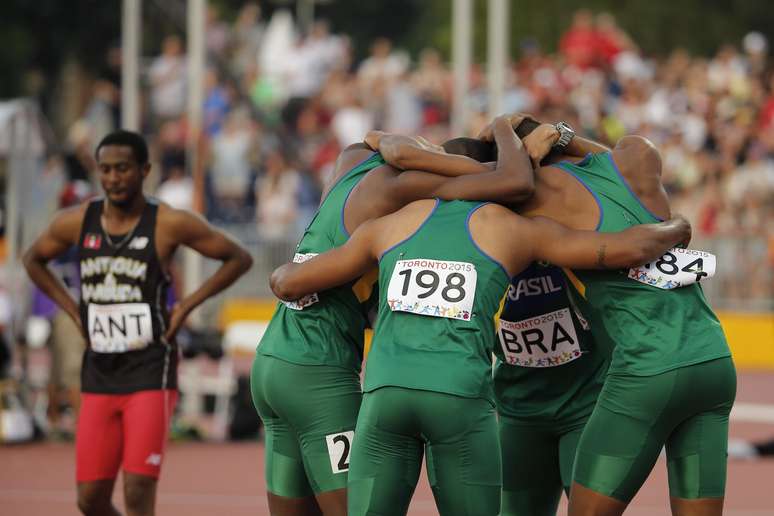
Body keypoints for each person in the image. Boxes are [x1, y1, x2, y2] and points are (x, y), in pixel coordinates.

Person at [268, 144, 690, 516]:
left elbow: (286, 282)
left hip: (386, 396)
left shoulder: (389, 225)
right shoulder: (511, 229)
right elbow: (626, 245)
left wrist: (312, 256)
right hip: (459, 397)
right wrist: (676, 226)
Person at [250, 115, 538, 516]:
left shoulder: (352, 160)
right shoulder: (406, 190)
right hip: (320, 371)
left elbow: (375, 141)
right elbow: (513, 181)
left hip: (272, 361)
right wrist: (502, 132)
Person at [489, 115, 735, 516]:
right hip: (713, 360)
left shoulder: (539, 202)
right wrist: (560, 133)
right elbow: (608, 162)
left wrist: (500, 131)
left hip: (648, 367)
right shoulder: (638, 160)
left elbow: (632, 248)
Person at [23, 130, 253, 516]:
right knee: (90, 499)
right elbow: (33, 259)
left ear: (144, 170)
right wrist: (73, 308)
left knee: (137, 488)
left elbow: (238, 258)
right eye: (106, 169)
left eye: (123, 169)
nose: (113, 178)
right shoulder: (78, 222)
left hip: (150, 369)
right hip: (99, 371)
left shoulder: (167, 223)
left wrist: (186, 307)